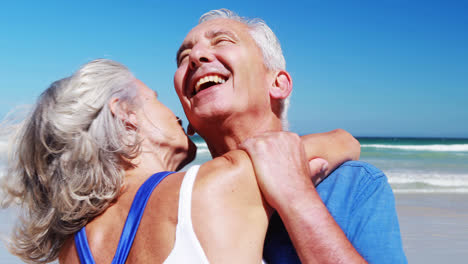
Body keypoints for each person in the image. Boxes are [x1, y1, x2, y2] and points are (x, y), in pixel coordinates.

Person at [1, 59, 358, 263]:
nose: (173, 111)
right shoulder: (213, 187)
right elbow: (345, 142)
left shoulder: (71, 250)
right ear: (126, 115)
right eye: (153, 98)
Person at [174, 9, 407, 263]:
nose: (195, 57)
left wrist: (296, 197)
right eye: (184, 57)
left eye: (222, 41)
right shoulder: (177, 203)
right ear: (189, 119)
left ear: (278, 84)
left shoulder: (352, 185)